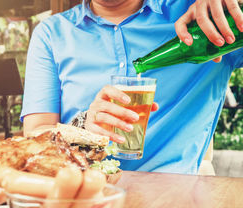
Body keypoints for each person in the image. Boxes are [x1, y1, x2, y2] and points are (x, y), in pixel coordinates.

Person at [20, 0, 243, 174]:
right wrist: (83, 125)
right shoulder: (52, 33)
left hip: (178, 195)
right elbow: (34, 135)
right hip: (82, 191)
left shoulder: (201, 17)